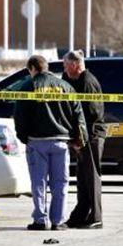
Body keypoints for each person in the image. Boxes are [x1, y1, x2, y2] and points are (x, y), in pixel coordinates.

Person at [14, 55, 86, 231]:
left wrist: (24, 137)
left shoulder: (28, 86)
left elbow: (20, 117)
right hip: (61, 142)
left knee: (39, 183)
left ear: (32, 68)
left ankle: (40, 220)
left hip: (37, 142)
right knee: (60, 183)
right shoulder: (66, 87)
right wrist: (79, 139)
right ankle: (58, 221)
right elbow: (78, 115)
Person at [62, 50, 105, 229]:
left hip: (91, 136)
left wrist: (80, 140)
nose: (64, 69)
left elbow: (90, 115)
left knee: (92, 177)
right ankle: (80, 215)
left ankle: (96, 217)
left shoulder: (87, 82)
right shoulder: (76, 81)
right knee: (83, 178)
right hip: (82, 136)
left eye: (65, 65)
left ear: (74, 64)